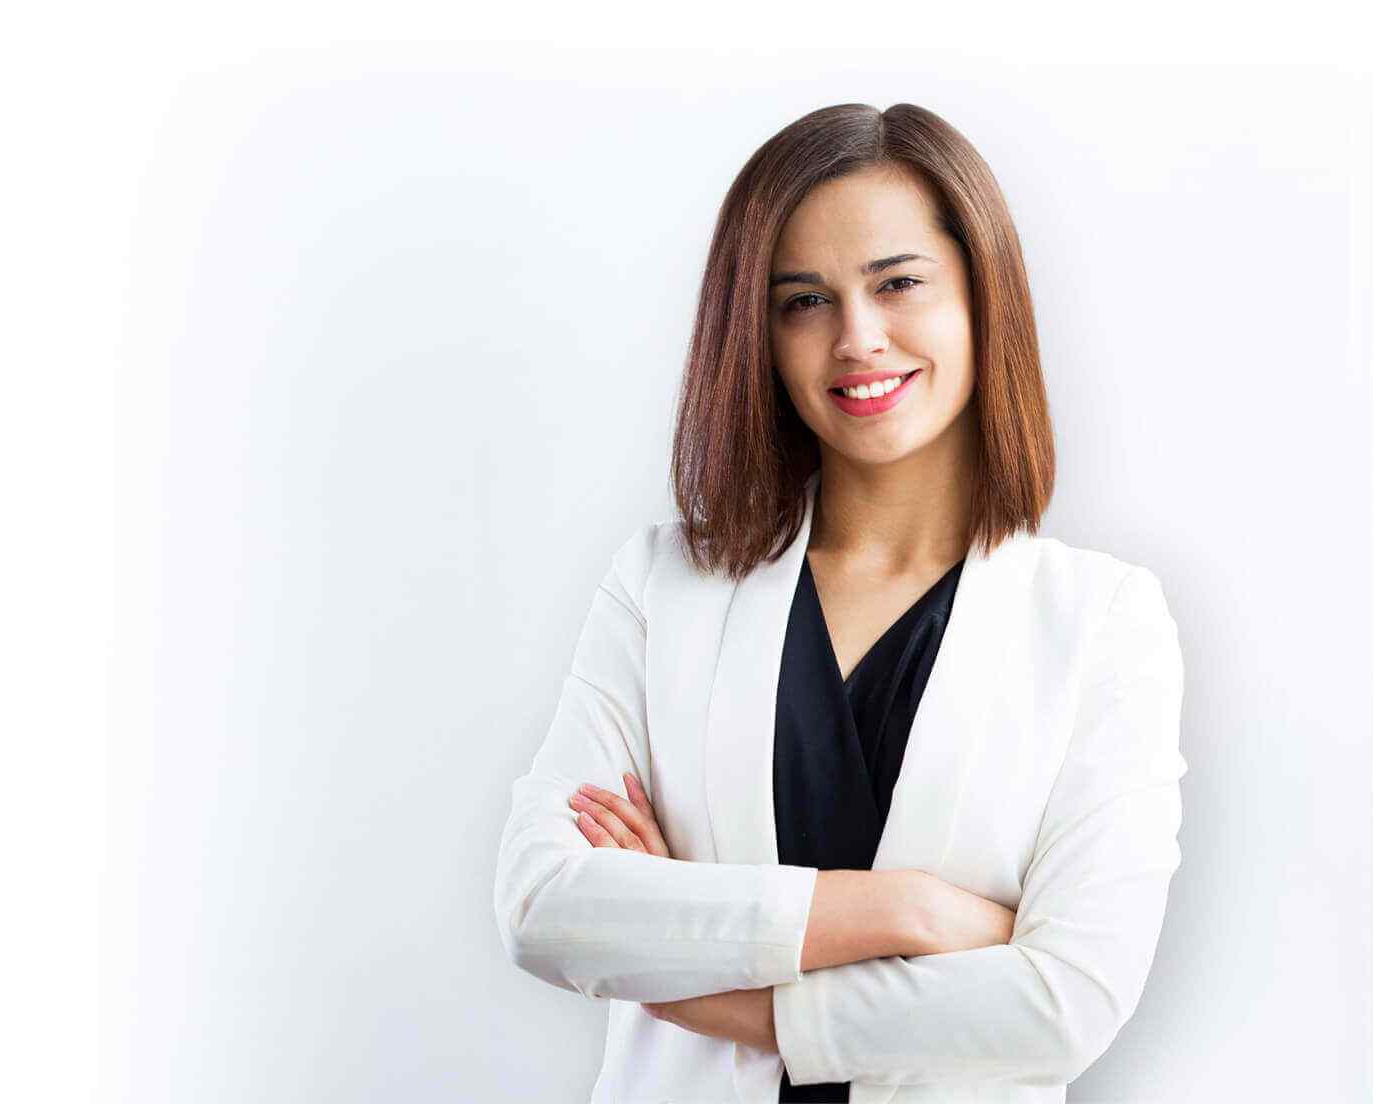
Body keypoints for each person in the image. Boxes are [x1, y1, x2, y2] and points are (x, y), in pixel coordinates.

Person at [491, 103, 1185, 1104]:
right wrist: (907, 912)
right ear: (758, 336)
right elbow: (543, 905)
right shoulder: (662, 584)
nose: (856, 338)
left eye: (897, 283)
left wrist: (704, 970)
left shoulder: (1099, 622)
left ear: (982, 296)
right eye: (803, 301)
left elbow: (1065, 1002)